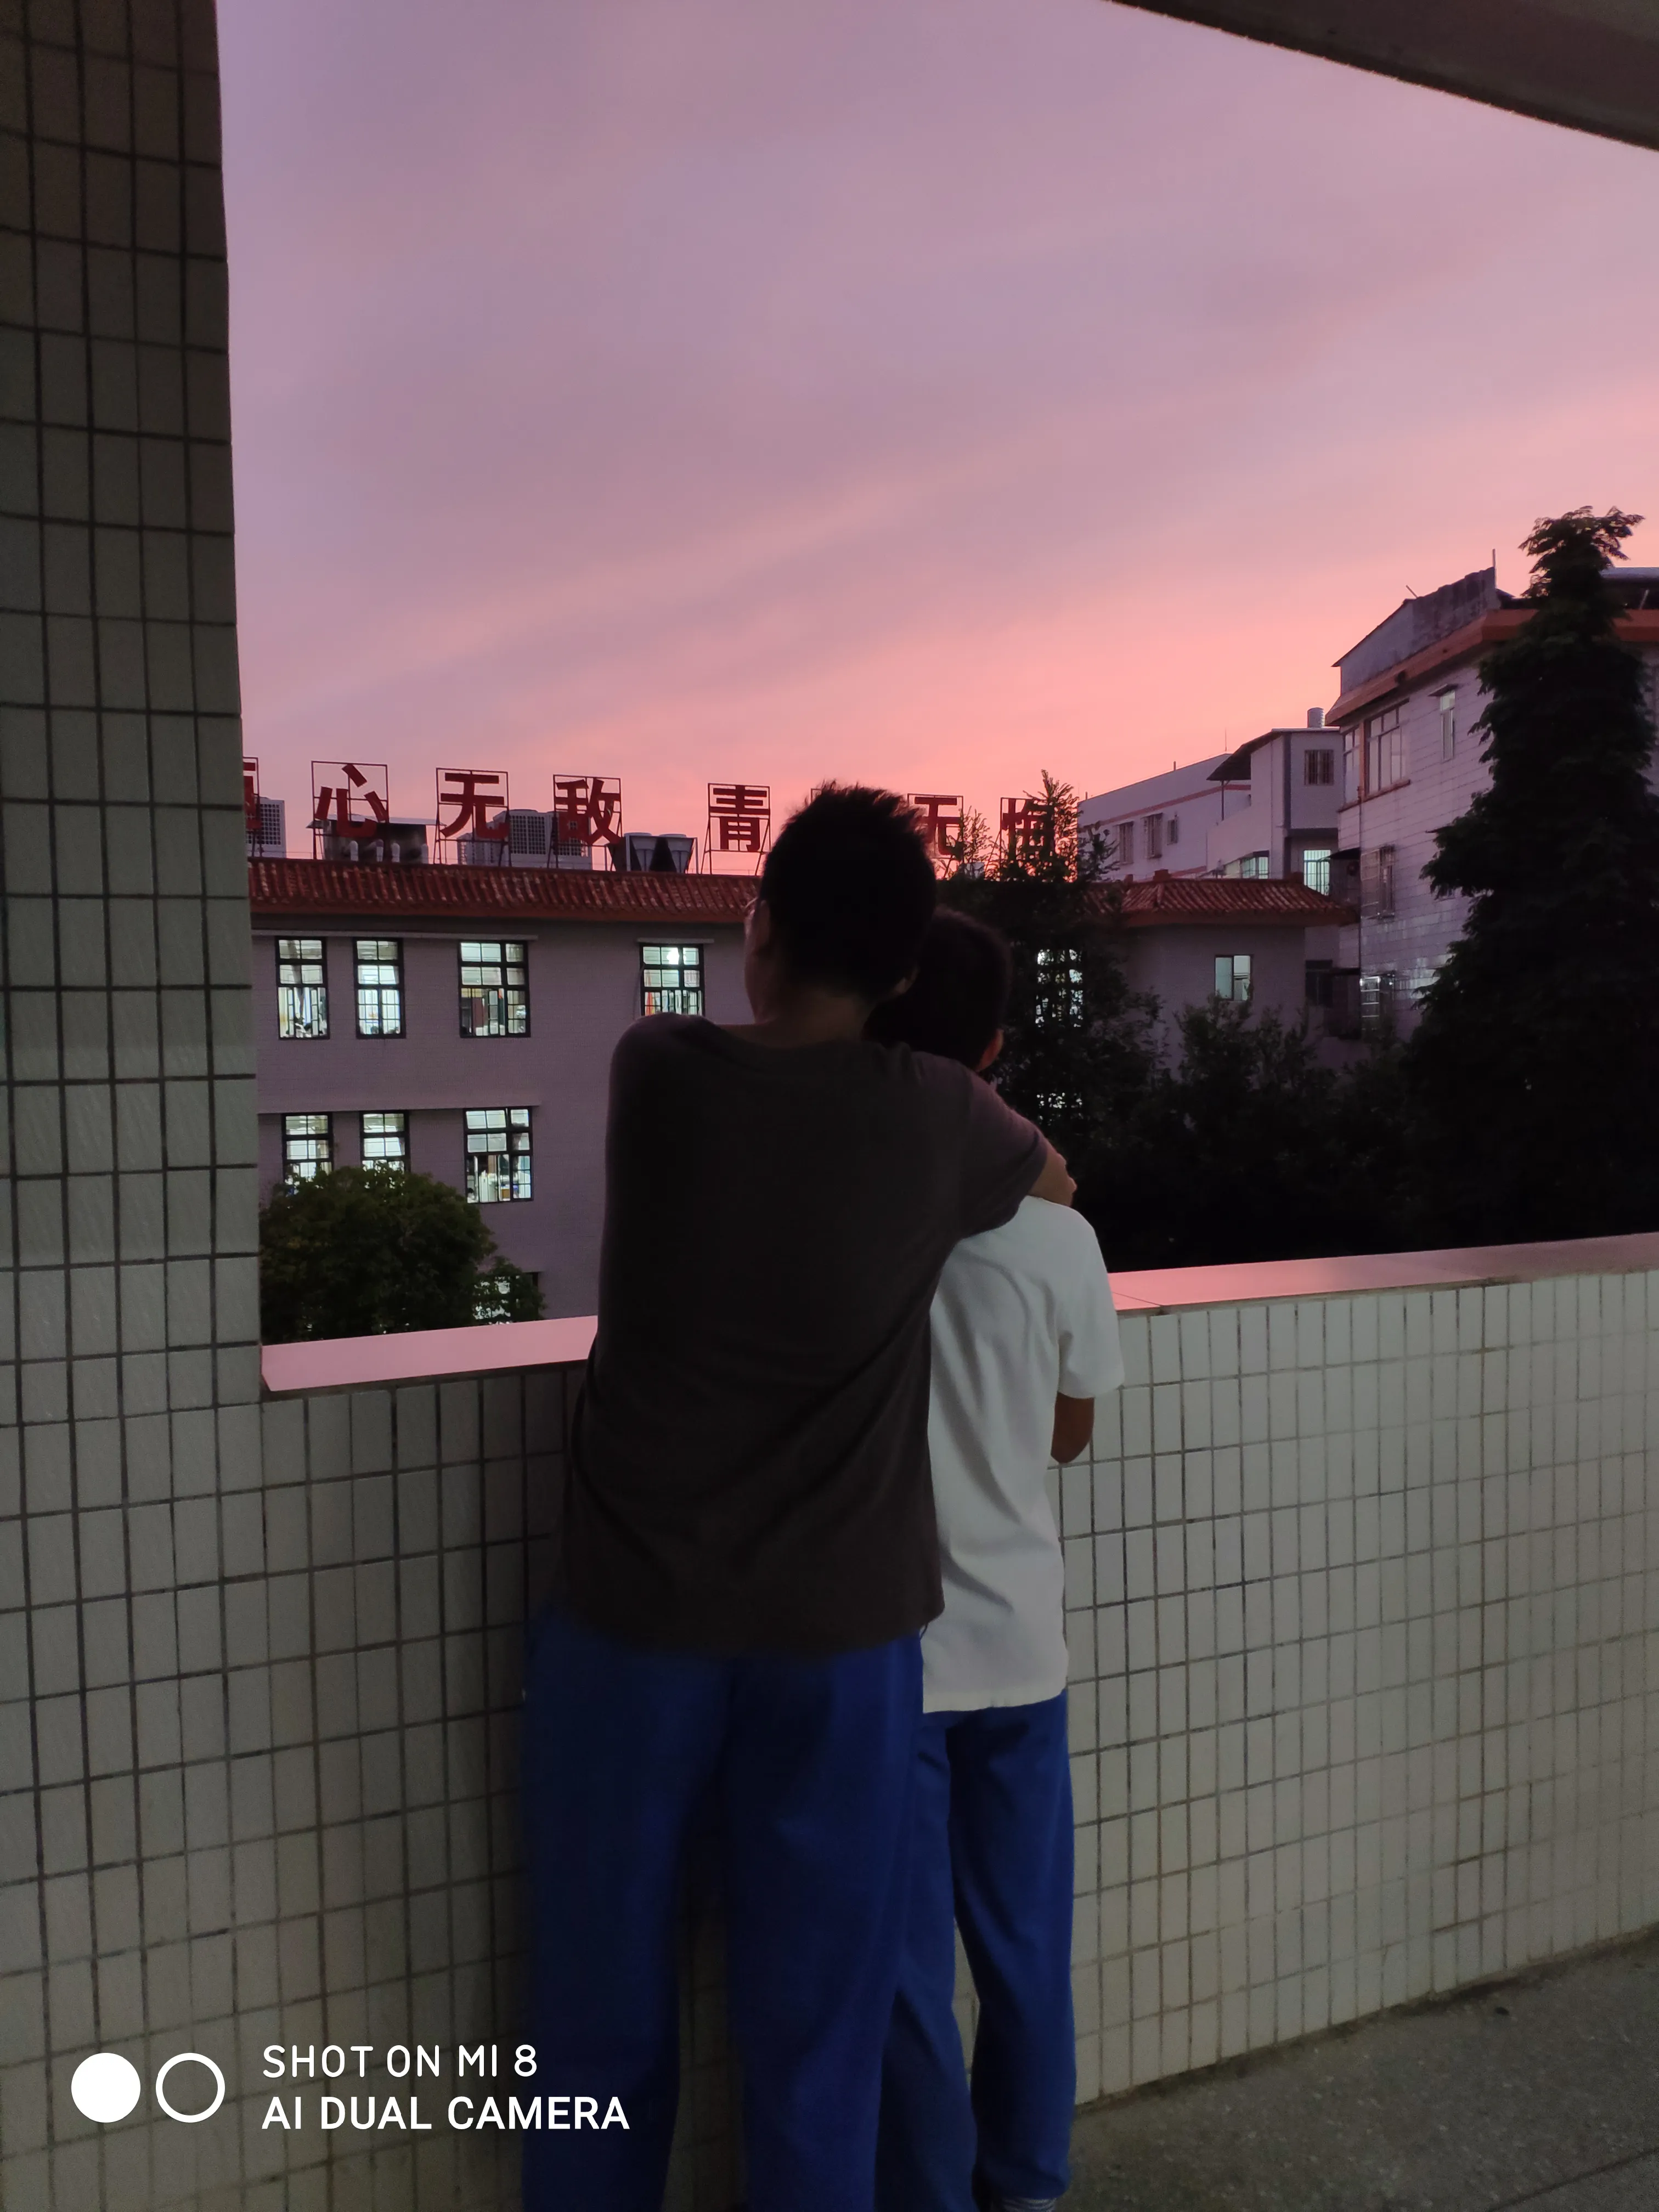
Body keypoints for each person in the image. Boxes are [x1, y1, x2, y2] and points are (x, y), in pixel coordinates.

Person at [519, 787, 1074, 2212]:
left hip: (633, 1622)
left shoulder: (660, 1068)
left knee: (597, 2001)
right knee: (820, 2028)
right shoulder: (941, 1118)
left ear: (757, 928)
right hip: (842, 1643)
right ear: (900, 970)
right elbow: (1054, 1180)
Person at [867, 910, 1124, 2212]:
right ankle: (1025, 2181)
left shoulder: (861, 1229)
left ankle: (926, 2188)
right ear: (995, 1052)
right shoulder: (1060, 1238)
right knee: (1026, 1943)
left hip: (894, 1661)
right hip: (1024, 1650)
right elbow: (1069, 1436)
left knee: (907, 1966)